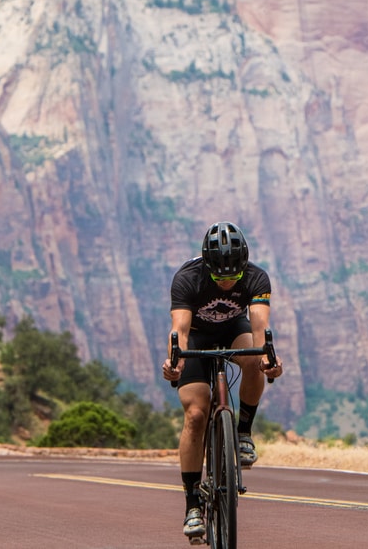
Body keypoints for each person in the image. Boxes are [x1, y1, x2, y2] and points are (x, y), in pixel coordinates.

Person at [161, 221, 284, 540]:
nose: (227, 282)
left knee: (255, 361)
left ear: (244, 264)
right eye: (219, 277)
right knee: (196, 414)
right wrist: (174, 362)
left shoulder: (257, 277)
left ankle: (243, 432)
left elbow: (259, 329)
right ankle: (192, 506)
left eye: (234, 276)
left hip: (234, 330)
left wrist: (268, 358)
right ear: (207, 267)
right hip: (198, 337)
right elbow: (181, 332)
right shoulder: (187, 278)